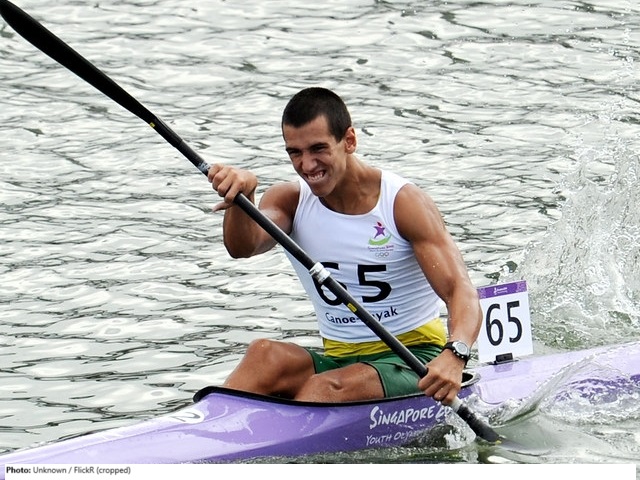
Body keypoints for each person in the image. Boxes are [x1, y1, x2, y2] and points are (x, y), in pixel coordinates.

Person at [207, 87, 481, 405]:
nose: (307, 165)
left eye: (318, 149)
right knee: (262, 355)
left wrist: (456, 354)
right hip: (340, 359)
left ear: (349, 140)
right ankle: (207, 429)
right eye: (295, 152)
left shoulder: (402, 204)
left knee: (324, 389)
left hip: (414, 358)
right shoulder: (289, 201)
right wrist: (241, 200)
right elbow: (244, 246)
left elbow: (460, 290)